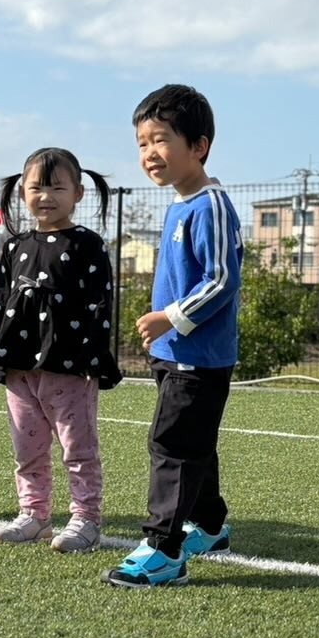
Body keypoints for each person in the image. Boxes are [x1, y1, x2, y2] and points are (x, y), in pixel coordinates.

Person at [101, 84, 243, 588]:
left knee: (173, 445)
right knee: (193, 443)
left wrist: (171, 318)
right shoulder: (179, 204)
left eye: (160, 140)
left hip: (198, 356)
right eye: (142, 143)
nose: (149, 154)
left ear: (199, 146)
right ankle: (208, 526)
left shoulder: (212, 205)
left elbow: (222, 280)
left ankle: (164, 549)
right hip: (174, 352)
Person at [0, 148, 122, 554]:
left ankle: (86, 518)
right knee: (27, 447)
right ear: (21, 192)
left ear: (78, 192)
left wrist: (92, 359)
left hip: (69, 364)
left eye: (57, 187)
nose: (46, 196)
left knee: (77, 448)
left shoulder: (87, 244)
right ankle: (34, 514)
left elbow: (101, 304)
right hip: (20, 366)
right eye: (36, 187)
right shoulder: (15, 247)